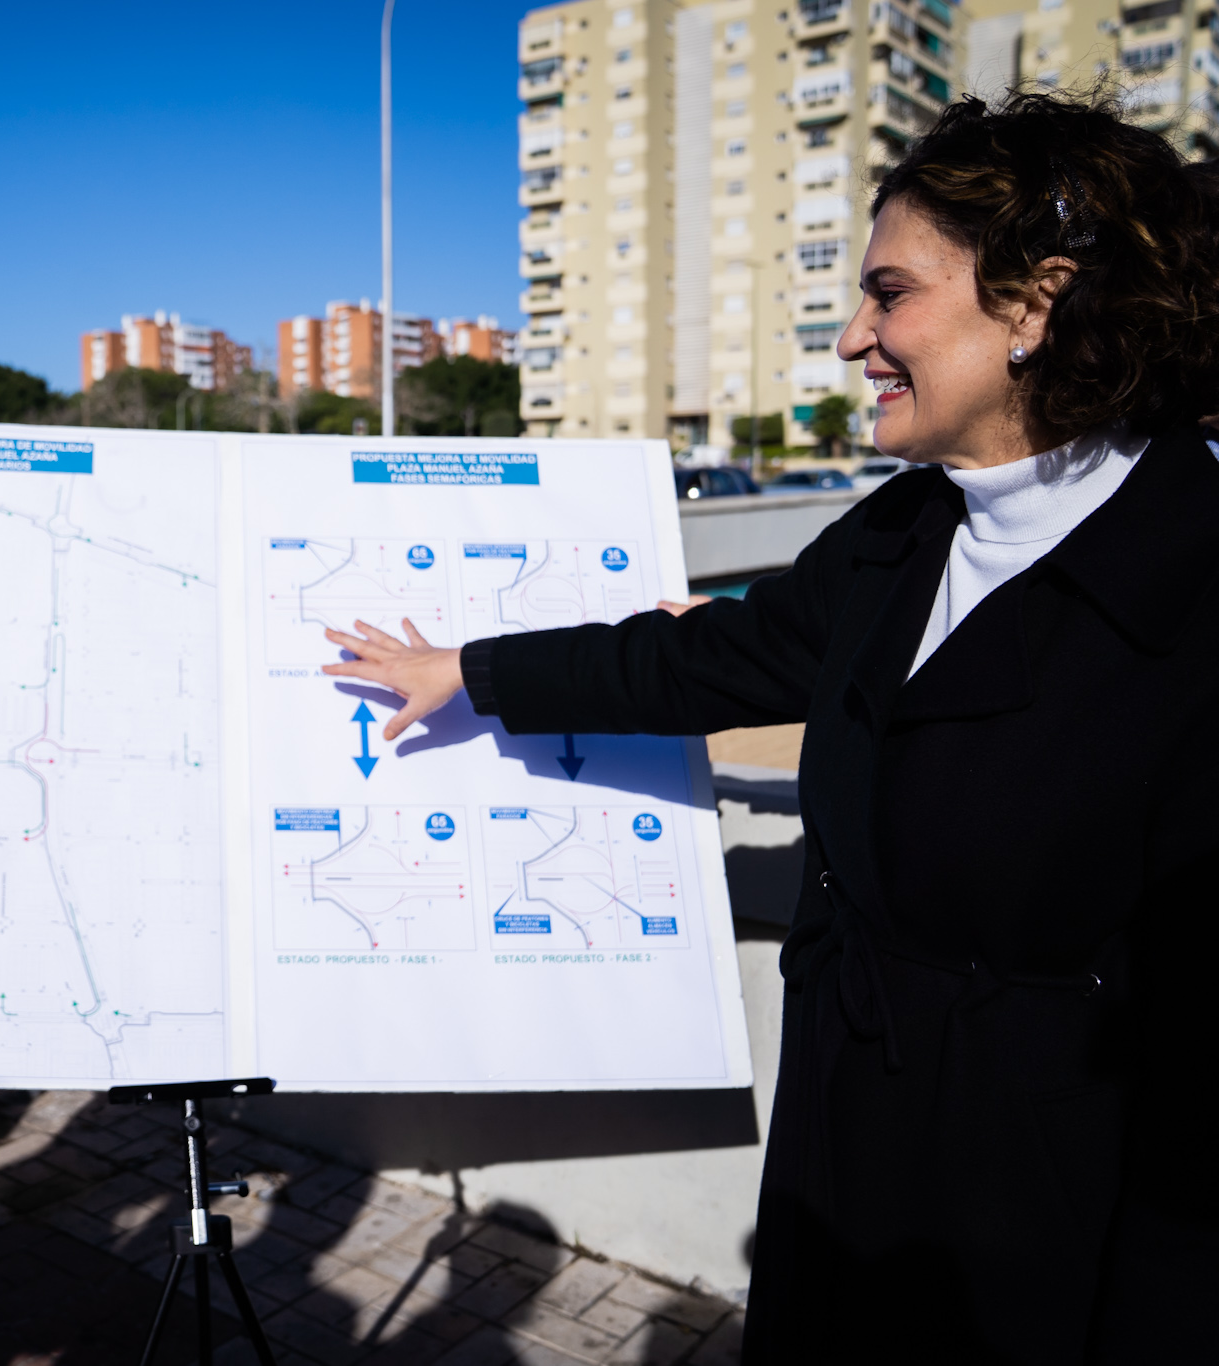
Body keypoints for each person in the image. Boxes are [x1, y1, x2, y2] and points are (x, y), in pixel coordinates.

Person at [324, 93, 1219, 1363]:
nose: (853, 338)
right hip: (838, 1163)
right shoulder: (903, 530)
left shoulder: (1188, 592)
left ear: (1033, 304)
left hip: (1038, 1237)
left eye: (889, 294)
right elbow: (704, 658)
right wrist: (467, 669)